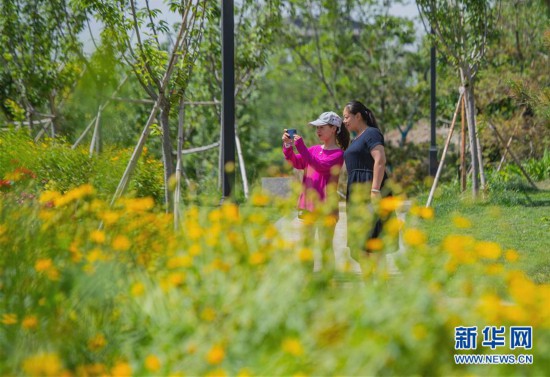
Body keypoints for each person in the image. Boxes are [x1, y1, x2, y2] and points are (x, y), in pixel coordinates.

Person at [282, 111, 350, 273]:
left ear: (334, 128)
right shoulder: (313, 150)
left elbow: (321, 166)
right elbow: (297, 162)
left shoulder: (338, 154)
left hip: (327, 207)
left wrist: (301, 147)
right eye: (316, 127)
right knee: (307, 246)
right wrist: (288, 146)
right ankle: (308, 283)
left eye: (322, 127)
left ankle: (327, 284)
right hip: (308, 204)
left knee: (325, 247)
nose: (318, 131)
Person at [342, 100, 389, 259]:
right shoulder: (355, 139)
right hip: (356, 194)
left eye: (347, 117)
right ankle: (371, 280)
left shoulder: (372, 133)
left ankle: (376, 282)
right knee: (358, 248)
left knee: (372, 244)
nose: (344, 121)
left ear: (358, 116)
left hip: (369, 191)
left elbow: (380, 160)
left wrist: (375, 190)